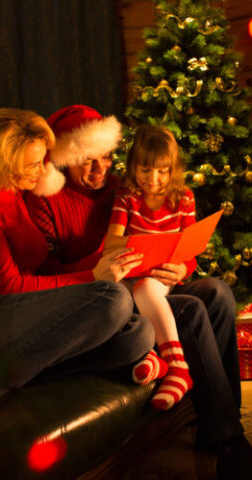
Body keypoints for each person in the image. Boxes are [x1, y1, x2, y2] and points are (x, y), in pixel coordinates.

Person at [24, 105, 252, 479]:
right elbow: (42, 276)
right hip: (109, 299)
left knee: (217, 292)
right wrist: (95, 268)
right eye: (87, 161)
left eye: (106, 158)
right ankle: (228, 447)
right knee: (193, 311)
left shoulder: (122, 185)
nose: (100, 170)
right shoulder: (45, 200)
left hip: (156, 283)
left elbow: (172, 240)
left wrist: (183, 267)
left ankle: (228, 424)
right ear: (65, 159)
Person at [0, 108, 164, 392]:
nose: (42, 170)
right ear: (2, 163)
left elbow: (39, 273)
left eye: (42, 161)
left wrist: (103, 264)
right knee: (114, 298)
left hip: (20, 313)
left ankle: (13, 374)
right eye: (33, 164)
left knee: (138, 334)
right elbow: (10, 286)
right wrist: (93, 277)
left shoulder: (16, 192)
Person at [105, 125, 196, 411]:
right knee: (113, 296)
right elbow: (111, 243)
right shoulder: (126, 197)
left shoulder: (183, 198)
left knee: (146, 288)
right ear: (133, 167)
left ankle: (177, 367)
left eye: (161, 171)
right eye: (145, 170)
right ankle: (148, 359)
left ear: (173, 169)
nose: (153, 179)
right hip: (132, 271)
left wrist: (182, 269)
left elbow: (190, 250)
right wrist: (131, 246)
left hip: (160, 275)